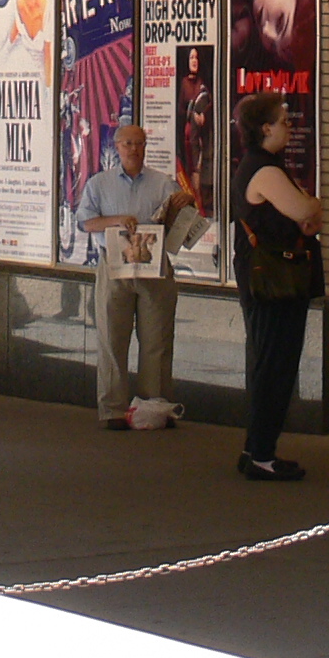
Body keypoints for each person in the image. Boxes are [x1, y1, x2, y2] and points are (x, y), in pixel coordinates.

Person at [78, 118, 194, 430]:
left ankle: (153, 407)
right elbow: (86, 222)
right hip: (113, 265)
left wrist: (186, 201)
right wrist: (115, 220)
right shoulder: (99, 184)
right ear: (116, 148)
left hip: (153, 267)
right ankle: (114, 410)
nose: (133, 149)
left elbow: (181, 222)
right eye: (127, 143)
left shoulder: (162, 182)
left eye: (139, 143)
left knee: (156, 339)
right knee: (112, 339)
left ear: (145, 147)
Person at [232, 90, 322, 482]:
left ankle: (256, 447)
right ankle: (262, 454)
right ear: (265, 128)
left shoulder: (264, 167)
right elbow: (307, 211)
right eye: (284, 121)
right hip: (272, 281)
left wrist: (307, 211)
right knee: (275, 364)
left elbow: (306, 216)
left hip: (269, 278)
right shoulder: (265, 170)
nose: (290, 127)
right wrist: (310, 206)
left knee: (268, 361)